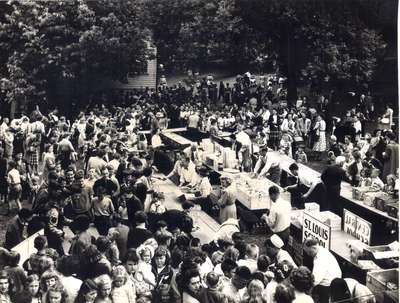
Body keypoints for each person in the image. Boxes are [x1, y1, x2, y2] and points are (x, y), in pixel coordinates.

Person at [303, 238, 342, 303]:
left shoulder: (320, 259)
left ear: (314, 248)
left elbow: (315, 280)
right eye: (307, 252)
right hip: (329, 281)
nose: (308, 254)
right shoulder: (320, 251)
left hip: (328, 285)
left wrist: (305, 291)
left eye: (309, 252)